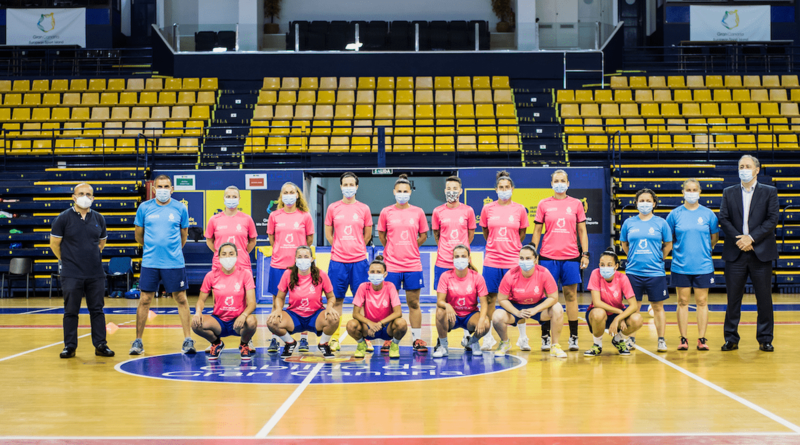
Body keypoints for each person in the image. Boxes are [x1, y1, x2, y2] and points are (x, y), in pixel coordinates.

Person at [719, 155, 778, 352]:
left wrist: (751, 238)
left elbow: (772, 219)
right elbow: (724, 219)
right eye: (741, 166)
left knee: (764, 298)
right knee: (733, 298)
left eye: (748, 166)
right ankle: (731, 338)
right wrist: (741, 240)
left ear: (757, 170)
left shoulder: (769, 192)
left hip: (760, 252)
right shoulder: (729, 192)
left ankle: (765, 338)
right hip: (735, 252)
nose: (744, 169)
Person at [50, 183, 114, 359]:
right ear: (73, 197)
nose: (85, 196)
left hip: (95, 273)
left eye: (88, 194)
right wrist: (68, 260)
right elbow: (54, 244)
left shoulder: (99, 218)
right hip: (71, 273)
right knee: (71, 311)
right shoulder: (63, 218)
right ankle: (69, 346)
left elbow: (101, 243)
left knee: (97, 310)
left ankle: (101, 344)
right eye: (81, 193)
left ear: (93, 197)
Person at [131, 175, 193, 355]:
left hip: (174, 262)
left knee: (181, 299)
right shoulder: (144, 208)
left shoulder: (180, 208)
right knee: (144, 300)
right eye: (160, 186)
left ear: (172, 189)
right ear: (154, 189)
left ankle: (188, 339)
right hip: (150, 262)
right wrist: (154, 248)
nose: (163, 189)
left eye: (166, 186)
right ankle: (138, 341)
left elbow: (183, 235)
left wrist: (171, 250)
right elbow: (138, 236)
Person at [532, 169, 589, 353]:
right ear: (551, 184)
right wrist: (533, 253)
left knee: (571, 296)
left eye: (562, 180)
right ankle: (545, 337)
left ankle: (573, 337)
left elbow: (582, 231)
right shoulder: (543, 204)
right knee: (547, 298)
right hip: (548, 256)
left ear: (568, 183)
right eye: (556, 180)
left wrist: (585, 253)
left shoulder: (576, 204)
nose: (559, 183)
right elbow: (537, 231)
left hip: (571, 256)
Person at [378, 173, 430, 353]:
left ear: (410, 192)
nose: (402, 193)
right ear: (394, 192)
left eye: (405, 191)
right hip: (391, 265)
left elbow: (423, 235)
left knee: (414, 303)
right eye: (399, 191)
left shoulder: (418, 212)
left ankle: (417, 339)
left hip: (412, 265)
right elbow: (382, 235)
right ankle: (388, 338)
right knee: (389, 304)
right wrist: (391, 249)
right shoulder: (386, 212)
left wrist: (411, 246)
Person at [666, 179, 719, 351]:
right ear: (683, 192)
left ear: (700, 192)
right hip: (680, 265)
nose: (691, 192)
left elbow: (714, 238)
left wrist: (703, 250)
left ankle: (702, 339)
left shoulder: (709, 214)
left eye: (694, 189)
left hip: (703, 265)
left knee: (702, 301)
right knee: (682, 301)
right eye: (688, 189)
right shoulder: (674, 215)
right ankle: (683, 338)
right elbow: (668, 238)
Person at [480, 170, 529, 351]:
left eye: (507, 187)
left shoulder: (520, 209)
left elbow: (521, 234)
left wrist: (511, 246)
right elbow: (486, 232)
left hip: (512, 261)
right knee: (491, 299)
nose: (504, 190)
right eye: (501, 187)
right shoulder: (487, 209)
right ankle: (489, 338)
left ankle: (523, 338)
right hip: (492, 260)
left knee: (518, 299)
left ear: (512, 188)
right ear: (495, 189)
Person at [619, 188, 672, 352]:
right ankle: (631, 338)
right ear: (636, 203)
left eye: (648, 201)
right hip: (634, 272)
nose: (645, 203)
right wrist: (633, 257)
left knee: (658, 308)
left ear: (654, 204)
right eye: (641, 200)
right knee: (634, 307)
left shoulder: (661, 223)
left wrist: (659, 257)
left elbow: (668, 244)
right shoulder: (629, 223)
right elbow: (624, 244)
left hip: (655, 273)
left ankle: (661, 339)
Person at [325, 172, 373, 353]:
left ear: (357, 186)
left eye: (351, 184)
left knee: (361, 302)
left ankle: (365, 338)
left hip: (359, 261)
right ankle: (334, 339)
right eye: (345, 184)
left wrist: (357, 246)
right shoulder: (332, 208)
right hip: (338, 262)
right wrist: (339, 247)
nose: (348, 187)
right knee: (336, 300)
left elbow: (367, 235)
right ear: (341, 186)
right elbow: (329, 234)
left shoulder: (364, 209)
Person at [491, 244, 567, 358]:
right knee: (497, 316)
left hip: (537, 306)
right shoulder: (511, 274)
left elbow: (554, 297)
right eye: (521, 258)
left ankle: (555, 346)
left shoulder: (544, 273)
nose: (524, 261)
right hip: (516, 306)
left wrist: (535, 309)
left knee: (558, 308)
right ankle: (505, 343)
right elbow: (502, 299)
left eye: (528, 258)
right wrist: (517, 312)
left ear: (535, 260)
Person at [266, 182, 315, 354]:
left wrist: (299, 257)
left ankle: (303, 338)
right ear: (281, 196)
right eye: (285, 192)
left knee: (303, 303)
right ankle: (274, 338)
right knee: (276, 303)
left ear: (297, 195)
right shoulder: (274, 216)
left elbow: (308, 241)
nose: (288, 195)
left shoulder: (305, 216)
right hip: (278, 265)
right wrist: (282, 252)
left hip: (299, 267)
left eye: (291, 192)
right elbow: (272, 239)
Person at [267, 246, 340, 357]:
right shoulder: (288, 274)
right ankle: (290, 343)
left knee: (334, 318)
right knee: (271, 322)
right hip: (294, 316)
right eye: (300, 257)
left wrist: (329, 307)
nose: (303, 259)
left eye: (306, 256)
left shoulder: (321, 274)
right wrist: (277, 310)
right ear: (295, 259)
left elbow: (331, 297)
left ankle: (323, 344)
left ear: (311, 259)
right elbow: (279, 297)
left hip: (315, 315)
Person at [432, 176, 477, 350]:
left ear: (460, 191)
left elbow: (470, 234)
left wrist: (462, 255)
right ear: (445, 191)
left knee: (467, 298)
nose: (451, 191)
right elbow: (437, 234)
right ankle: (441, 340)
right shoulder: (438, 211)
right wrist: (446, 250)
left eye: (455, 188)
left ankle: (467, 335)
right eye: (448, 188)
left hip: (463, 262)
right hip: (443, 261)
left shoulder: (468, 211)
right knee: (443, 302)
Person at [192, 243, 257, 360]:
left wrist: (244, 315)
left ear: (237, 256)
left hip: (238, 321)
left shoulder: (245, 274)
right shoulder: (211, 276)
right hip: (219, 322)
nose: (228, 257)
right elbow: (201, 300)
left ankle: (244, 344)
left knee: (252, 321)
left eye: (231, 254)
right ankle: (216, 343)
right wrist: (198, 312)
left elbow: (252, 303)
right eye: (224, 254)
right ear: (219, 257)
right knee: (195, 324)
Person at [583, 248, 643, 357]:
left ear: (616, 266)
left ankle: (618, 340)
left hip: (616, 314)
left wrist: (618, 318)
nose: (605, 267)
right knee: (598, 313)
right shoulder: (595, 274)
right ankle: (597, 345)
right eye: (602, 264)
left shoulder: (622, 278)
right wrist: (619, 312)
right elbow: (597, 303)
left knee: (637, 319)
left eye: (609, 265)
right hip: (599, 313)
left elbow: (634, 305)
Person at [433, 245, 490, 357]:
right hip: (452, 316)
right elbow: (440, 301)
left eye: (463, 256)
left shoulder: (477, 277)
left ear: (469, 259)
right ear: (453, 259)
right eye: (457, 256)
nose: (460, 259)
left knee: (486, 323)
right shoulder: (445, 276)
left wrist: (482, 319)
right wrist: (447, 305)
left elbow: (484, 303)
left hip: (470, 315)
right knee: (440, 312)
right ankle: (443, 346)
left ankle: (472, 342)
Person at [346, 255, 407, 359]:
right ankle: (361, 344)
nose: (375, 274)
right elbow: (355, 314)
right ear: (368, 273)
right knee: (351, 325)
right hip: (368, 328)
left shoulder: (390, 286)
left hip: (387, 327)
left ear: (385, 274)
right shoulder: (363, 287)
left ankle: (394, 345)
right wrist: (369, 323)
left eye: (379, 272)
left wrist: (380, 323)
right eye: (372, 272)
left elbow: (398, 312)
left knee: (401, 323)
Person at [205, 186, 258, 273]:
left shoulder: (247, 219)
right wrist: (220, 252)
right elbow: (209, 241)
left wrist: (241, 253)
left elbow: (253, 241)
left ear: (239, 199)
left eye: (234, 197)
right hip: (220, 265)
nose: (231, 199)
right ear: (224, 198)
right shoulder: (214, 219)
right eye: (228, 196)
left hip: (242, 265)